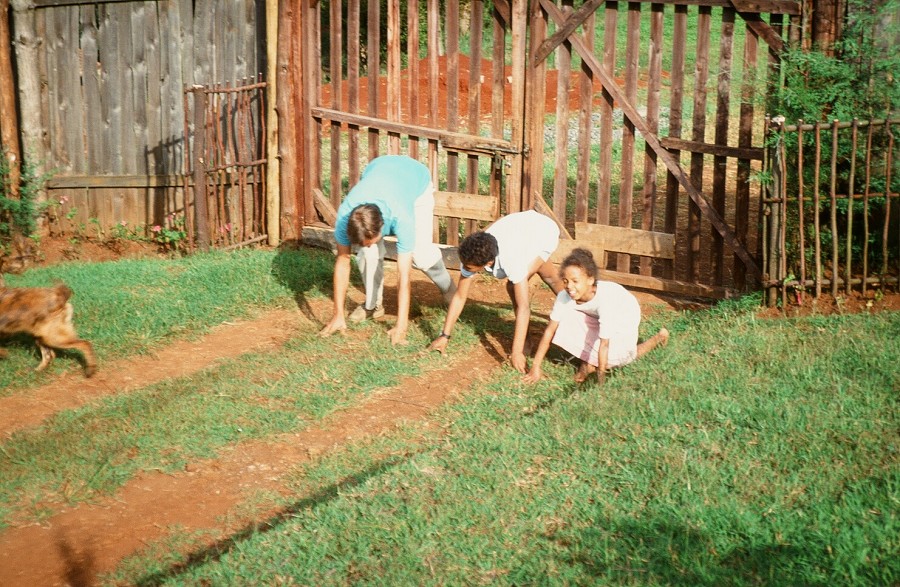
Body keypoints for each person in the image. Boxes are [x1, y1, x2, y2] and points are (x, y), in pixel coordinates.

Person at [319, 155, 456, 345]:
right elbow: (342, 261)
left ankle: (449, 289)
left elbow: (404, 276)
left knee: (420, 254)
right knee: (367, 254)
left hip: (415, 181)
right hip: (379, 168)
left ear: (383, 227)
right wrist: (338, 315)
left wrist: (401, 327)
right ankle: (373, 305)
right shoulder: (345, 217)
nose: (368, 244)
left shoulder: (401, 216)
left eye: (372, 240)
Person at [427, 209, 564, 372]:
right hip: (521, 228)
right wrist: (444, 335)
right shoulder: (472, 253)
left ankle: (530, 340)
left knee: (522, 284)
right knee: (531, 280)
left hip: (543, 231)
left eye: (469, 267)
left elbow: (524, 307)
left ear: (488, 263)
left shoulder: (512, 259)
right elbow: (460, 296)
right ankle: (530, 338)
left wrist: (516, 352)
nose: (465, 268)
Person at [523, 247, 669, 385]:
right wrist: (536, 367)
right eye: (566, 281)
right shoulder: (564, 295)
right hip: (595, 317)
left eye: (575, 281)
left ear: (590, 280)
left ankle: (658, 338)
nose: (569, 287)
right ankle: (588, 362)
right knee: (563, 319)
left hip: (623, 317)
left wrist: (600, 380)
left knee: (620, 358)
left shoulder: (605, 300)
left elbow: (604, 343)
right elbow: (550, 331)